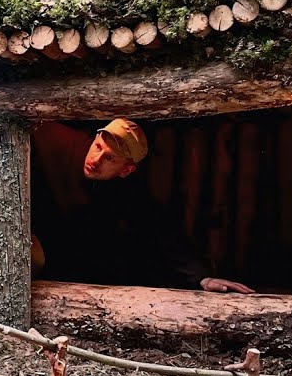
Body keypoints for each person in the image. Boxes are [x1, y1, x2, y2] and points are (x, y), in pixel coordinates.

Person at [30, 118, 253, 293]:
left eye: (109, 159)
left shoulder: (128, 191)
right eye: (98, 147)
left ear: (126, 170)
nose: (96, 160)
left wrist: (201, 278)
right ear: (96, 136)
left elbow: (162, 232)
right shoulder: (60, 141)